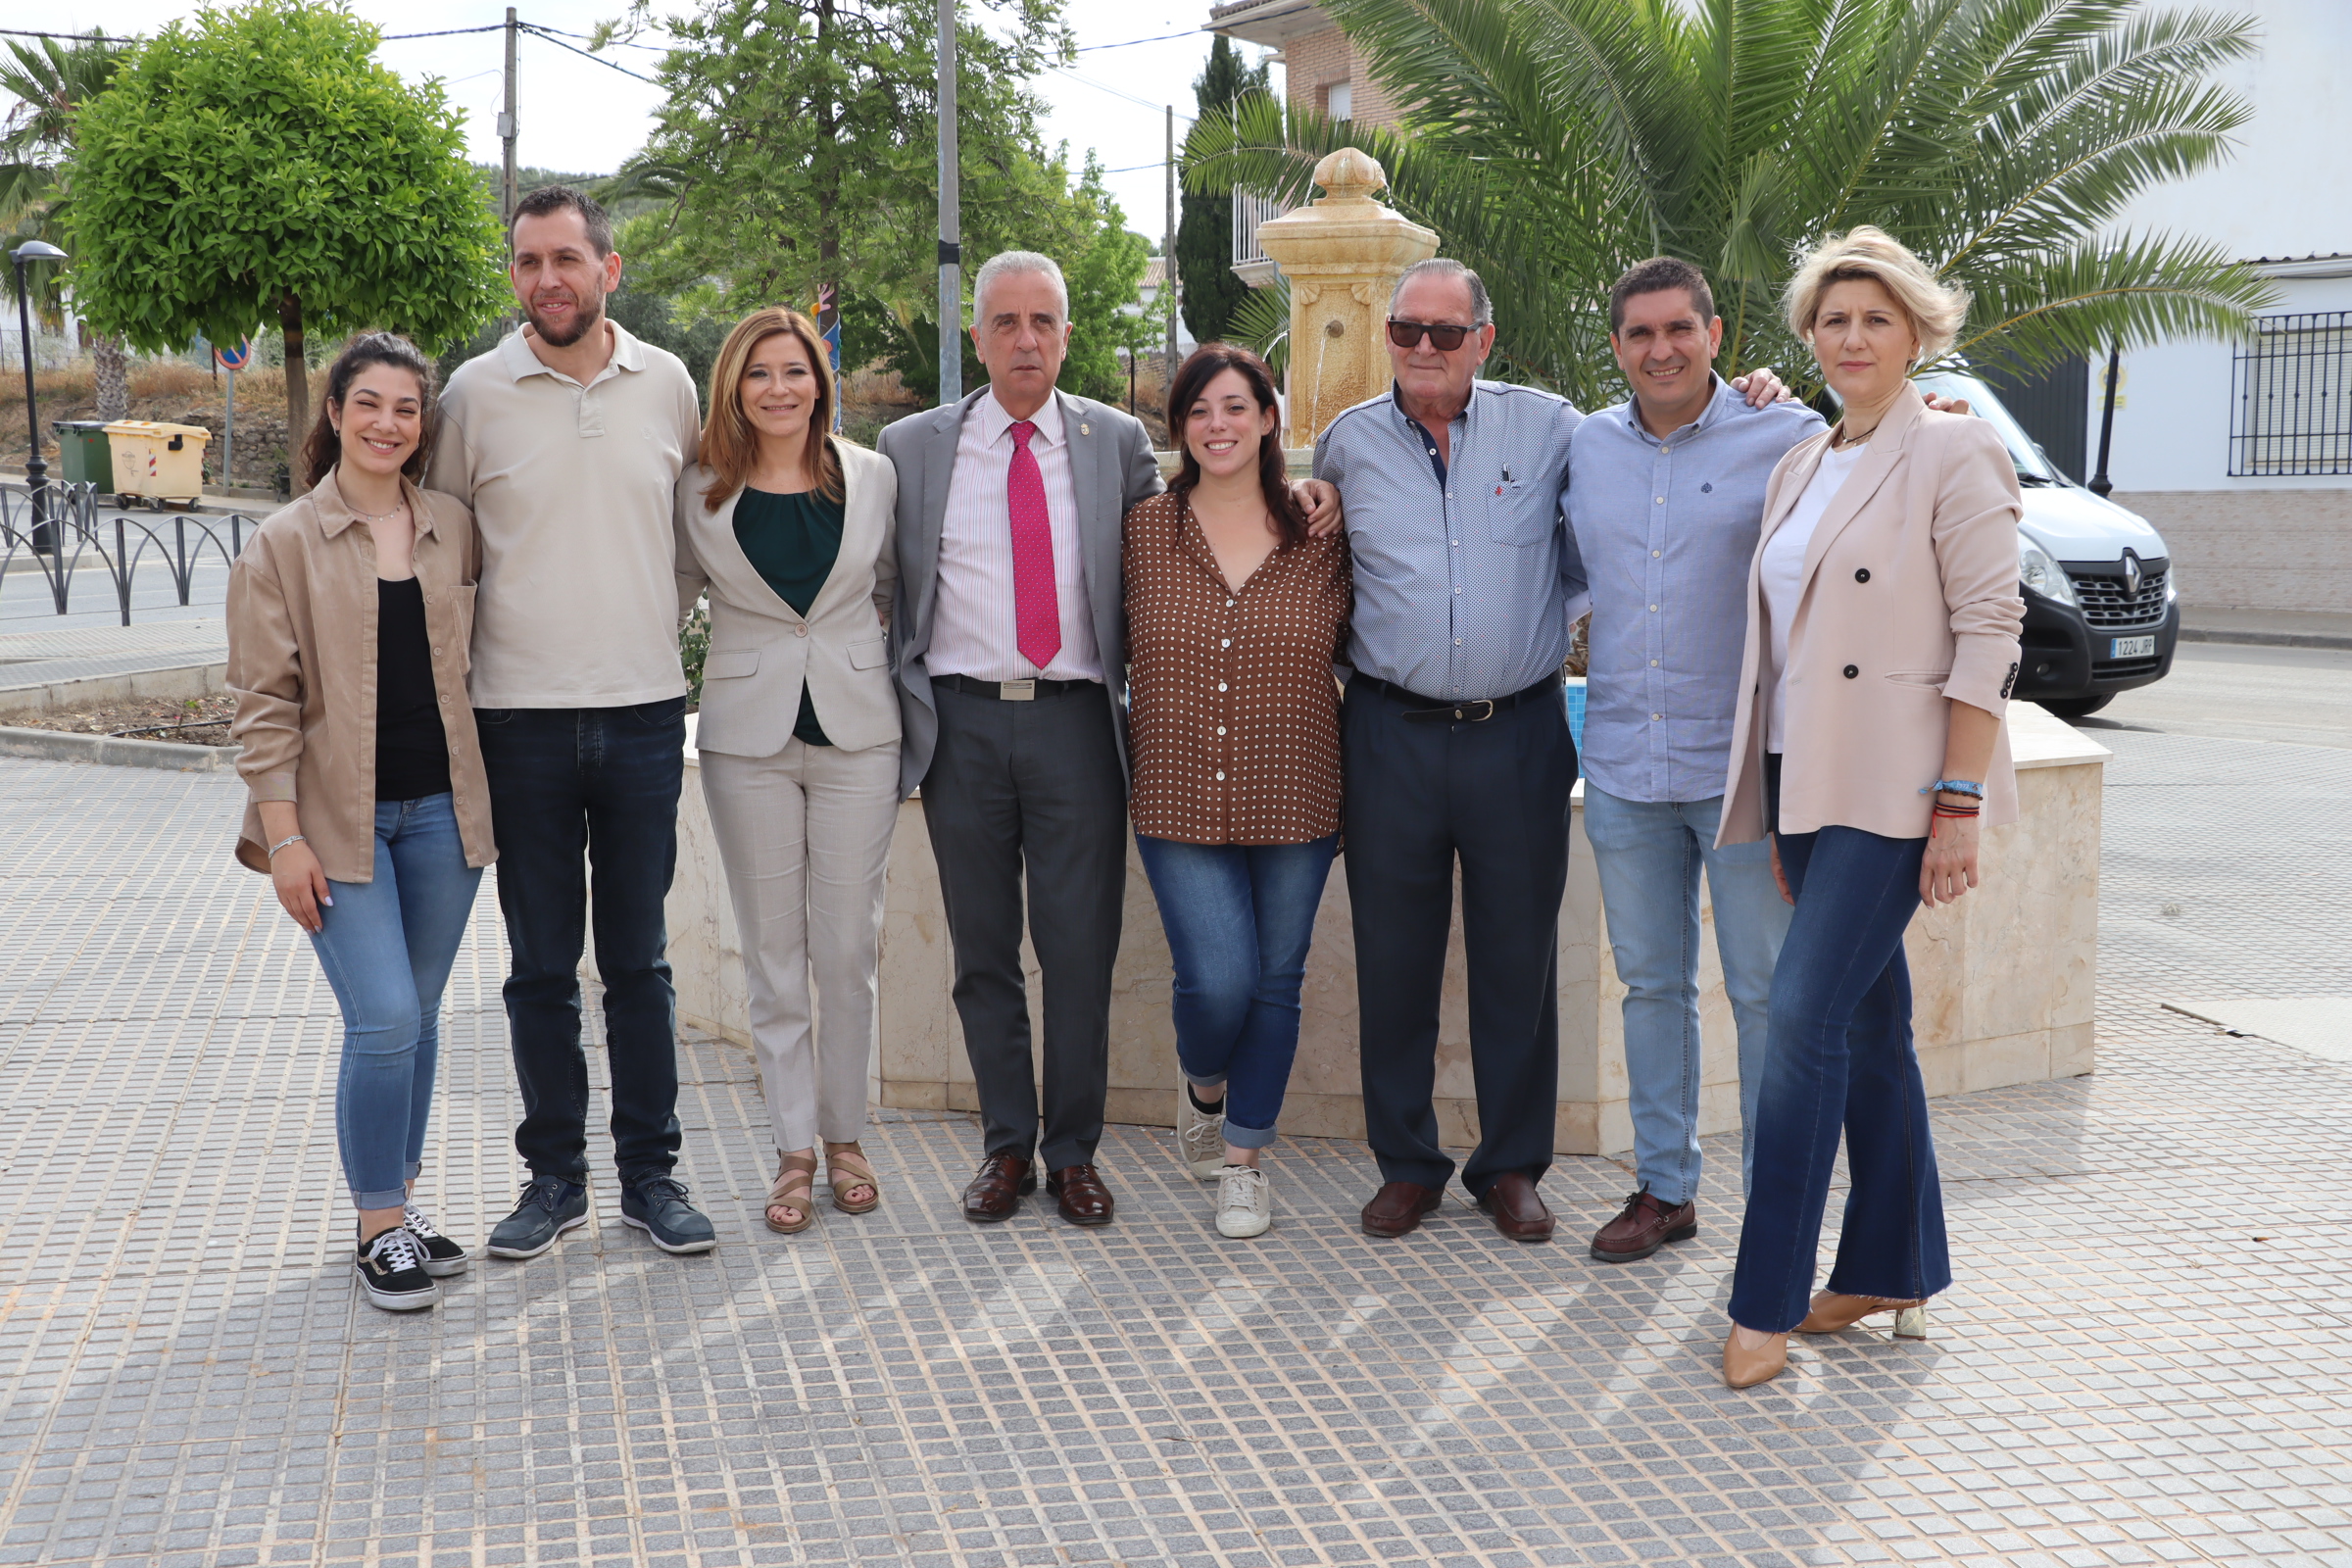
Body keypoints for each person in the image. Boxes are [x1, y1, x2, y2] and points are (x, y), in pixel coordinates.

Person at [1315, 258, 1784, 1243]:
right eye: (1409, 331)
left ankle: (1511, 1169)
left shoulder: (1557, 430)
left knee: (1517, 961)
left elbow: (1626, 517)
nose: (1427, 350)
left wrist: (1757, 393)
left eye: (1449, 333)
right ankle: (1407, 1165)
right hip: (1389, 732)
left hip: (1518, 731)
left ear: (1484, 340)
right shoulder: (1347, 444)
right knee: (1392, 959)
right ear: (1388, 337)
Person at [880, 251, 1339, 1228]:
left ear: (1068, 333)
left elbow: (1204, 510)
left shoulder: (1113, 441)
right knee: (982, 952)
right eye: (1004, 322)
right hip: (959, 721)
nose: (1025, 340)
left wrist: (1307, 492)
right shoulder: (914, 447)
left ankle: (1074, 1153)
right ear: (977, 336)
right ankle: (1008, 1150)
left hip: (1077, 724)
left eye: (1043, 320)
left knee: (1079, 949)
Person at [1716, 226, 2024, 1390]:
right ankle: (1894, 1263)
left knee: (1801, 1024)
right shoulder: (1802, 463)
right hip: (1807, 779)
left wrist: (1958, 798)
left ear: (1917, 334)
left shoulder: (1955, 452)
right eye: (1834, 319)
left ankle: (1765, 1299)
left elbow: (1994, 630)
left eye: (1875, 319)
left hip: (1898, 789)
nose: (1852, 337)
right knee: (1870, 1029)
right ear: (1810, 336)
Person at [427, 184, 717, 1260]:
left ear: (609, 268)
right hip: (519, 722)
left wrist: (655, 613)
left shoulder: (669, 384)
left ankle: (653, 1176)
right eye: (526, 261)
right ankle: (555, 1179)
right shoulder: (474, 393)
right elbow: (447, 545)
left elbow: (693, 527)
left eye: (565, 258)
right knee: (541, 968)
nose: (546, 278)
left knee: (638, 962)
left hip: (644, 713)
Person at [226, 332, 493, 1311]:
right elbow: (261, 705)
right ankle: (376, 1225)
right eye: (368, 403)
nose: (388, 422)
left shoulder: (453, 528)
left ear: (423, 426)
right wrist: (283, 837)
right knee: (382, 1018)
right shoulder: (284, 542)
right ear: (334, 412)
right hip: (337, 826)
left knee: (416, 1023)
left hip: (444, 820)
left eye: (407, 408)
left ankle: (403, 1207)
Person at [1566, 258, 1820, 1260]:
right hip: (1625, 764)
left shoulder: (1789, 436)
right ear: (1619, 345)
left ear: (1717, 335)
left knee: (1762, 991)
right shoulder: (1585, 445)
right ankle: (1665, 1189)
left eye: (1680, 330)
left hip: (1741, 771)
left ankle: (1775, 1204)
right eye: (1639, 334)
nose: (1660, 350)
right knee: (1652, 986)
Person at [673, 307, 900, 1236]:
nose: (778, 388)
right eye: (759, 373)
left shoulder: (875, 476)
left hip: (857, 732)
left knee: (847, 951)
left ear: (820, 380)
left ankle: (847, 1137)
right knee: (774, 959)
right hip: (745, 739)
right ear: (735, 386)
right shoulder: (697, 489)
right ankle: (794, 1151)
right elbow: (668, 596)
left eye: (794, 372)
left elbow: (893, 590)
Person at [1125, 344, 1349, 1240]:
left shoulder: (1325, 536)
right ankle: (1204, 1088)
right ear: (1181, 429)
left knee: (1277, 982)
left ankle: (1246, 1159)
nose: (1217, 425)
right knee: (1217, 982)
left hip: (1296, 792)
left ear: (1269, 418)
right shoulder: (1144, 530)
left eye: (1234, 407)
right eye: (1198, 411)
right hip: (1178, 793)